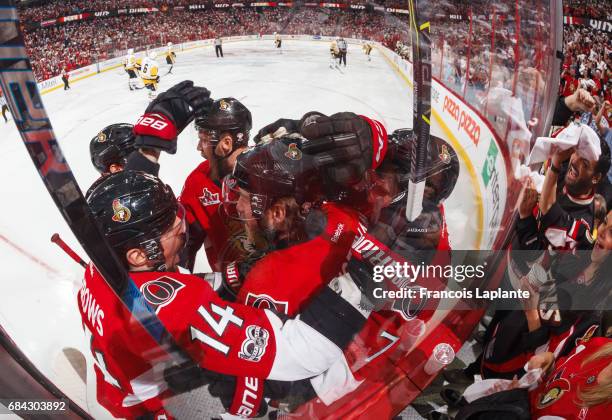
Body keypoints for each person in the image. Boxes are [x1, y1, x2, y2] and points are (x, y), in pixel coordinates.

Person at [82, 170, 371, 419]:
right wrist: (362, 284)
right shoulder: (177, 309)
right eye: (170, 228)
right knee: (316, 379)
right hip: (170, 410)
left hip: (118, 395)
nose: (182, 229)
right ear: (138, 254)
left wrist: (230, 279)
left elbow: (168, 288)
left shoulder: (96, 273)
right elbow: (304, 351)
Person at [178, 97, 254, 272]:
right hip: (232, 288)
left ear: (226, 143)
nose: (199, 147)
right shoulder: (197, 181)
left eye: (203, 140)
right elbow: (186, 244)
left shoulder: (272, 172)